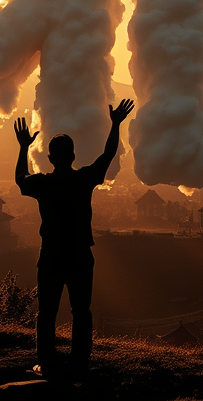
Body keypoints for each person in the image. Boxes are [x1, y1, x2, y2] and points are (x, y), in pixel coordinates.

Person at [15, 98, 135, 380]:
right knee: (81, 309)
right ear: (73, 156)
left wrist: (22, 146)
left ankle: (46, 363)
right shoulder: (83, 179)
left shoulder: (43, 184)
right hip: (80, 253)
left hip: (52, 253)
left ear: (50, 158)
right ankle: (80, 363)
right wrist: (116, 123)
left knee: (47, 311)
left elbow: (21, 178)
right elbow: (108, 154)